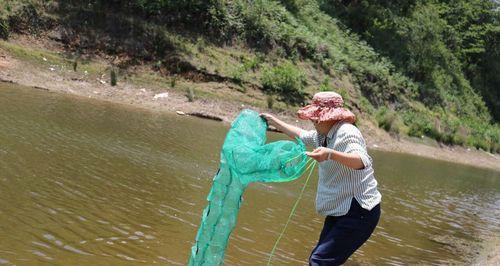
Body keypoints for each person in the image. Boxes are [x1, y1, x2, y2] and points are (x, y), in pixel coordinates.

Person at [260, 91, 381, 266]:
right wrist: (273, 121)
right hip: (339, 208)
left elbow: (362, 161)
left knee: (319, 261)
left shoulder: (347, 132)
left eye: (317, 117)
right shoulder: (322, 134)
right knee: (319, 259)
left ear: (331, 116)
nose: (313, 120)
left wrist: (330, 154)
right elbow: (301, 134)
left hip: (359, 211)